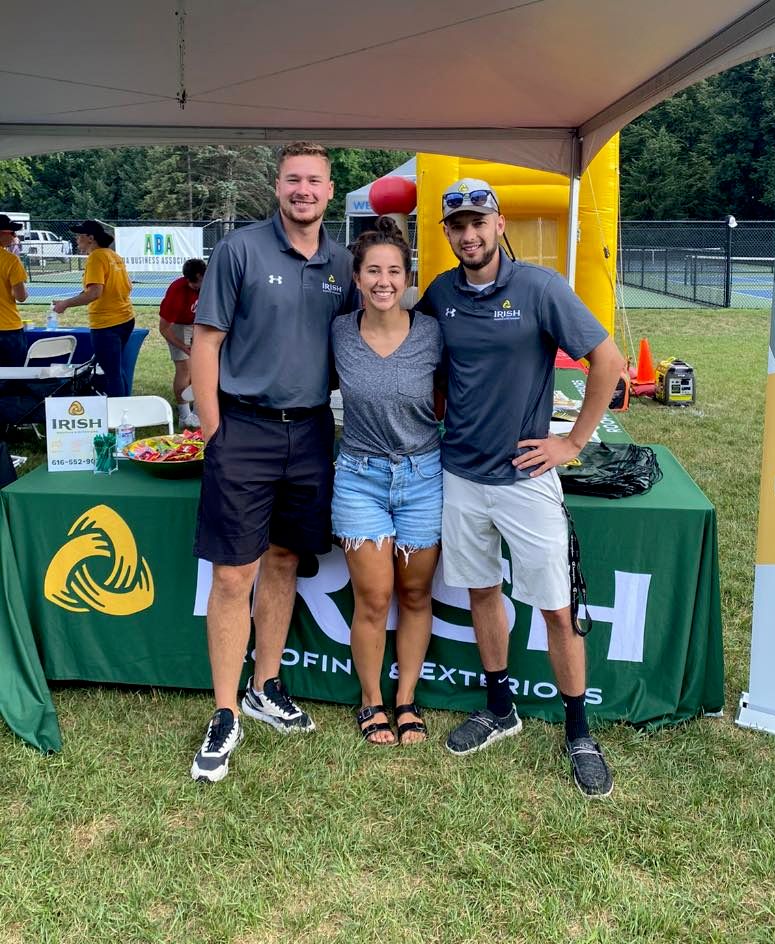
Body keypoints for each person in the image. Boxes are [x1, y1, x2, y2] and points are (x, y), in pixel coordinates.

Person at [418, 179, 625, 797]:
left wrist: (571, 444)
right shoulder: (440, 293)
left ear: (500, 223)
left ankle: (579, 729)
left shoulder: (540, 287)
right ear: (447, 234)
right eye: (458, 226)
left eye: (479, 221)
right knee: (483, 592)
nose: (470, 235)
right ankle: (500, 707)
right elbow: (426, 361)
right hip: (459, 474)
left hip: (526, 478)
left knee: (556, 609)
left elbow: (609, 363)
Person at [189, 141, 358, 783]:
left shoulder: (344, 263)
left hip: (313, 432)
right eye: (293, 179)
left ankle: (266, 684)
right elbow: (207, 344)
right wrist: (213, 431)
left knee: (285, 559)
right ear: (278, 186)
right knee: (235, 574)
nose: (303, 190)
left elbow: (358, 348)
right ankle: (226, 710)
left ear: (330, 188)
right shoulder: (240, 250)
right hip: (246, 428)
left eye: (314, 180)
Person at [332, 217, 443, 745]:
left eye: (394, 271)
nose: (383, 280)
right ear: (357, 278)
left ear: (407, 278)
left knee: (416, 592)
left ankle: (406, 700)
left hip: (424, 476)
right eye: (373, 270)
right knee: (374, 598)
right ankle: (371, 700)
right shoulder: (337, 333)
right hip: (359, 477)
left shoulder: (432, 334)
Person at [53, 220, 134, 396]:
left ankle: (118, 414)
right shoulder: (113, 255)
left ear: (90, 238)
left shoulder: (96, 258)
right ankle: (126, 407)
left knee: (111, 373)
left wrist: (65, 304)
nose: (76, 239)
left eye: (79, 236)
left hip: (106, 323)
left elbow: (94, 293)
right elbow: (128, 286)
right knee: (117, 369)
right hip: (125, 318)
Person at [158, 257, 206, 429]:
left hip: (196, 325)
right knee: (184, 368)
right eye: (193, 284)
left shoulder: (210, 283)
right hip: (177, 326)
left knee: (200, 369)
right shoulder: (177, 291)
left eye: (200, 282)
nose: (198, 287)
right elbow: (164, 328)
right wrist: (183, 347)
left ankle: (198, 411)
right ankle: (184, 416)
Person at [0, 214, 29, 367]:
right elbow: (21, 296)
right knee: (14, 379)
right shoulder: (10, 260)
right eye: (11, 232)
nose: (14, 236)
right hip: (7, 329)